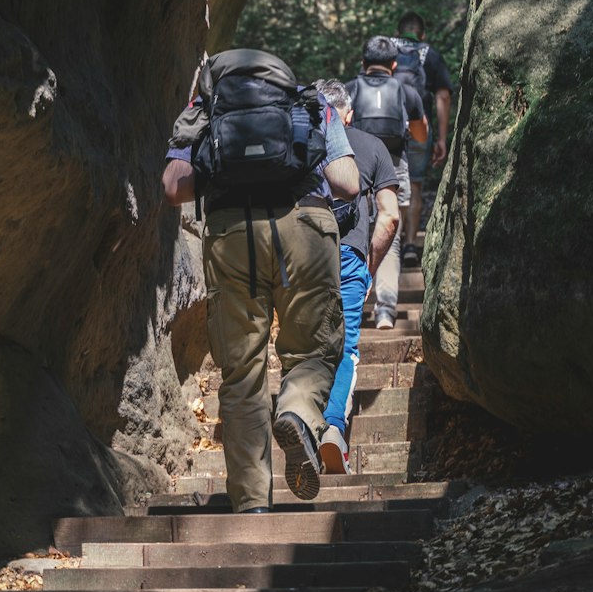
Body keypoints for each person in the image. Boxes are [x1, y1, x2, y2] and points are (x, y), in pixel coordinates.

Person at [161, 48, 359, 513]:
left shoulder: (202, 111)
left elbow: (174, 189)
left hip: (231, 235)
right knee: (314, 349)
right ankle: (297, 410)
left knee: (241, 370)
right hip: (305, 229)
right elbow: (347, 181)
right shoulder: (310, 102)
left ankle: (251, 502)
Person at [315, 79, 401, 474]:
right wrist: (369, 267)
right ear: (347, 114)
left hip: (301, 254)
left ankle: (299, 420)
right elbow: (391, 214)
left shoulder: (298, 139)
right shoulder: (371, 146)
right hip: (349, 254)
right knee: (346, 345)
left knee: (305, 345)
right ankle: (333, 429)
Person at [345, 36, 428, 329]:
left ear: (363, 63)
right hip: (393, 166)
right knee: (390, 236)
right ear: (393, 65)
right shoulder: (407, 92)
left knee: (355, 233)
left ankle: (351, 303)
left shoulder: (350, 90)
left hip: (355, 165)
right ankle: (385, 309)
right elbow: (420, 136)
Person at [394, 9, 452, 267]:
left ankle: (390, 244)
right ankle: (409, 245)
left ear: (398, 32)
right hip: (420, 127)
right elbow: (443, 97)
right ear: (423, 34)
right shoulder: (431, 54)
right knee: (414, 185)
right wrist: (442, 138)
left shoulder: (386, 50)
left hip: (389, 129)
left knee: (389, 185)